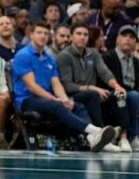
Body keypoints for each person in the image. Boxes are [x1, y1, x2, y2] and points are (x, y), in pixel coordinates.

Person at [12, 22, 116, 153]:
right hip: (28, 100)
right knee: (57, 106)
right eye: (39, 33)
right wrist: (54, 99)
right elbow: (31, 86)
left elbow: (56, 83)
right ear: (31, 35)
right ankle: (97, 131)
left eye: (45, 33)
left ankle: (92, 139)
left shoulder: (49, 58)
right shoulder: (23, 55)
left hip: (47, 100)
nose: (43, 36)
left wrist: (65, 99)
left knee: (77, 106)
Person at [57, 22, 131, 152]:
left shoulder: (93, 53)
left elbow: (105, 73)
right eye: (78, 34)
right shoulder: (64, 56)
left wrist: (117, 86)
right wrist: (92, 87)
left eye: (85, 34)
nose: (82, 37)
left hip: (92, 94)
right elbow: (67, 85)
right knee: (92, 95)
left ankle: (123, 137)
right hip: (74, 95)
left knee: (119, 95)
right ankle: (102, 136)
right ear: (72, 36)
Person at [101, 25, 139, 151]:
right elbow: (105, 81)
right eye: (124, 36)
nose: (128, 39)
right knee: (132, 96)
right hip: (112, 94)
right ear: (117, 40)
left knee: (134, 95)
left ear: (135, 42)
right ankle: (128, 137)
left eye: (131, 37)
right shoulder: (107, 57)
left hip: (132, 93)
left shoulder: (137, 62)